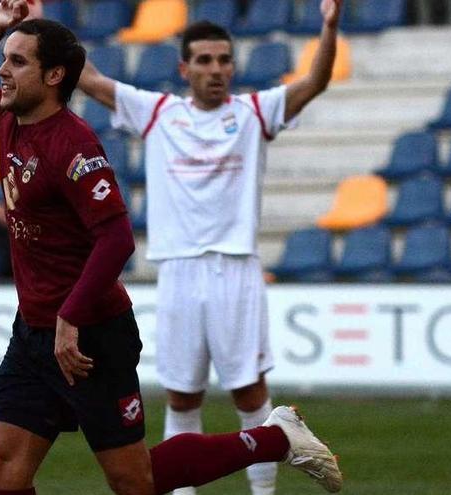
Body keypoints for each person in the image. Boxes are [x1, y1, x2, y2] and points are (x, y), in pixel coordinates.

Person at [0, 1, 342, 494]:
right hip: (34, 335)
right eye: (4, 59)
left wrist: (71, 316)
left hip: (91, 336)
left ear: (53, 77)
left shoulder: (73, 146)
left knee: (136, 481)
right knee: (4, 471)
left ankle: (274, 439)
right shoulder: (10, 119)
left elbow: (116, 238)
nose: (2, 72)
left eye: (17, 62)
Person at [77, 1, 344, 494]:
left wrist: (329, 26)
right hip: (177, 269)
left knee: (249, 392)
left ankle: (263, 493)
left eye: (223, 60)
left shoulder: (253, 112)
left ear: (233, 66)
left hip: (235, 268)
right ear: (184, 68)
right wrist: (36, 19)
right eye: (204, 60)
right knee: (181, 397)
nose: (215, 69)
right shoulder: (157, 112)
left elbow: (316, 82)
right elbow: (87, 77)